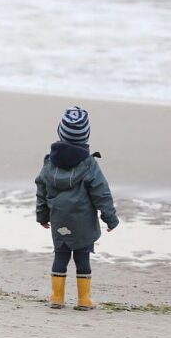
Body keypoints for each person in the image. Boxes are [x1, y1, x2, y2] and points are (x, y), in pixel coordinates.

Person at [35, 106, 119, 310]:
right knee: (82, 257)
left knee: (60, 255)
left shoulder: (49, 163)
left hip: (60, 220)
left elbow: (41, 190)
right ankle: (83, 299)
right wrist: (110, 218)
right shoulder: (89, 164)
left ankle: (56, 297)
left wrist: (42, 216)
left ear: (60, 132)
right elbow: (102, 193)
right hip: (82, 222)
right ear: (85, 136)